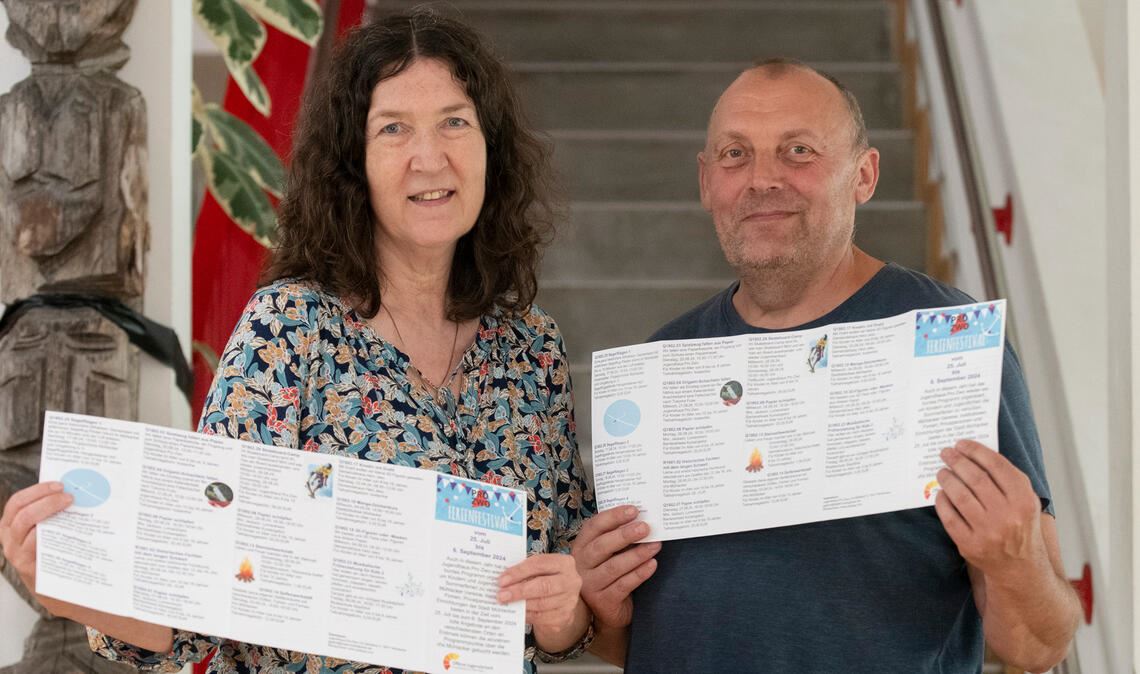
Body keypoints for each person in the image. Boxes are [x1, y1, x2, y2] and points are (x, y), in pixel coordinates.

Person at [0, 9, 596, 673]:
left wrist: (563, 612)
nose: (431, 157)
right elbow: (198, 609)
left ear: (491, 145)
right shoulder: (287, 331)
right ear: (354, 162)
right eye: (394, 128)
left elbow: (566, 606)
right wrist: (74, 579)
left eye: (455, 121)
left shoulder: (533, 349)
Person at [571, 59, 1081, 673]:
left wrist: (1013, 560)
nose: (762, 180)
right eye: (735, 154)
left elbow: (1038, 647)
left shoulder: (948, 345)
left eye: (799, 151)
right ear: (707, 183)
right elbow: (636, 643)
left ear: (863, 175)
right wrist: (601, 608)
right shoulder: (661, 367)